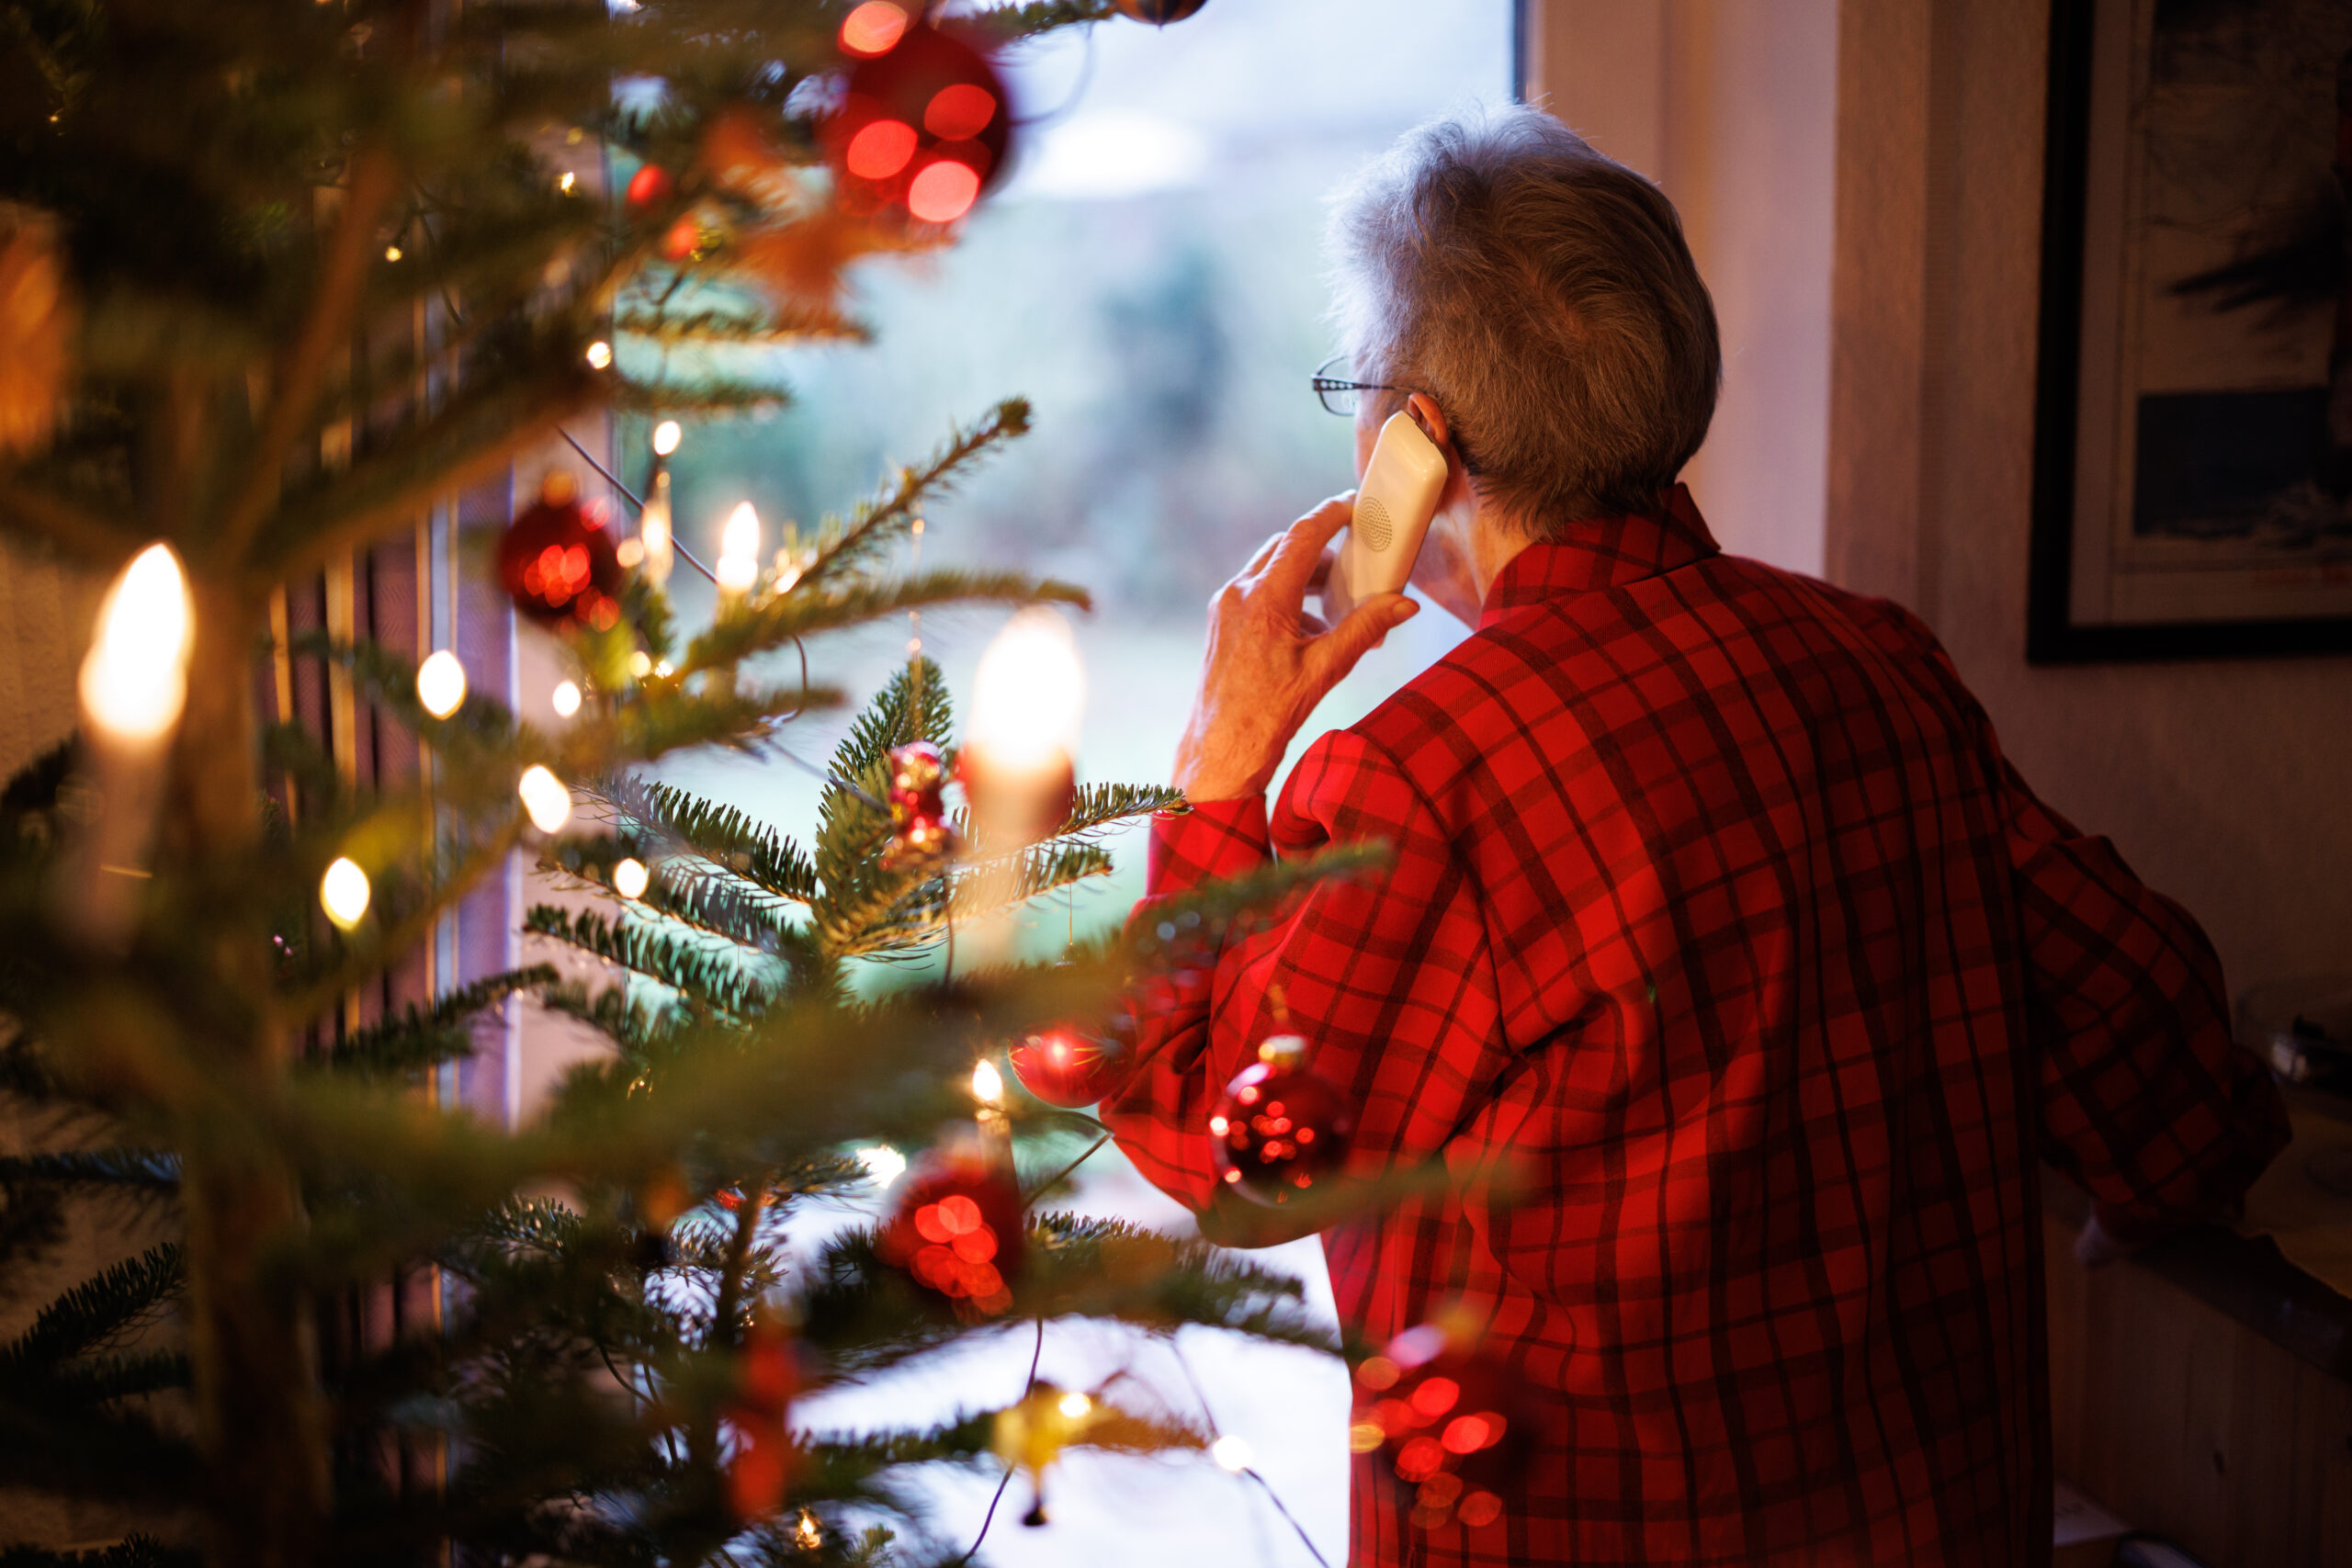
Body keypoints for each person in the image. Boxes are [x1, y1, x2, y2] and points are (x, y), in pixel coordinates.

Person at [1097, 105, 2289, 1567]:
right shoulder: (1879, 661)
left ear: (1419, 443)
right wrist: (2161, 1186)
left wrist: (1223, 766)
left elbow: (1222, 1154)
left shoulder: (1431, 775)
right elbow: (2144, 1006)